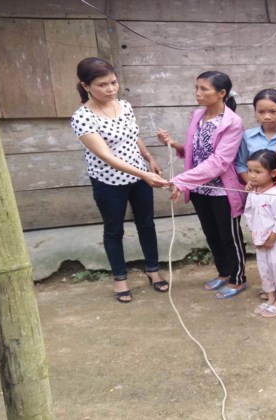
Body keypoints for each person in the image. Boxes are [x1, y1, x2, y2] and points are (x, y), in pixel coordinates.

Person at [70, 57, 169, 303]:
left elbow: (133, 136)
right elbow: (105, 155)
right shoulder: (82, 117)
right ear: (86, 86)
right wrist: (144, 174)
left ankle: (153, 269)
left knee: (146, 223)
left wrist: (148, 158)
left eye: (113, 82)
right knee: (114, 230)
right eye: (102, 85)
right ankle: (120, 277)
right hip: (108, 182)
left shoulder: (124, 106)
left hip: (138, 175)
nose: (111, 89)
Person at [157, 71, 248, 299]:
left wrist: (180, 180)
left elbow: (219, 162)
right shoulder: (197, 115)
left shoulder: (233, 122)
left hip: (222, 191)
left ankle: (238, 279)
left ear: (222, 93)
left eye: (204, 89)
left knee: (229, 236)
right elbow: (196, 151)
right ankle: (224, 273)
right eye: (196, 88)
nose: (198, 93)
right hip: (199, 189)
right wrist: (175, 144)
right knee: (212, 234)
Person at [243, 150, 276, 317]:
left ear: (273, 173)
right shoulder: (253, 192)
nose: (252, 176)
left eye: (258, 172)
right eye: (250, 171)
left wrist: (271, 238)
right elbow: (248, 212)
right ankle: (271, 296)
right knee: (264, 267)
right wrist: (255, 233)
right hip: (259, 239)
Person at [236, 88, 276, 188]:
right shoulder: (247, 136)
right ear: (255, 112)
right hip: (256, 191)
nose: (267, 117)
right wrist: (251, 183)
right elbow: (241, 164)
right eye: (261, 112)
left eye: (273, 111)